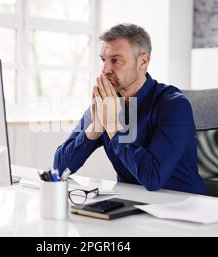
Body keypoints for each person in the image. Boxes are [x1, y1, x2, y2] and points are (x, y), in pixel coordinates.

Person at [53, 23, 206, 195]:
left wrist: (112, 125)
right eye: (103, 60)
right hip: (131, 207)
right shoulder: (106, 105)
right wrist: (96, 126)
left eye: (116, 60)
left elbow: (153, 178)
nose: (105, 70)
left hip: (183, 209)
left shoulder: (174, 105)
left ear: (143, 61)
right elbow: (59, 169)